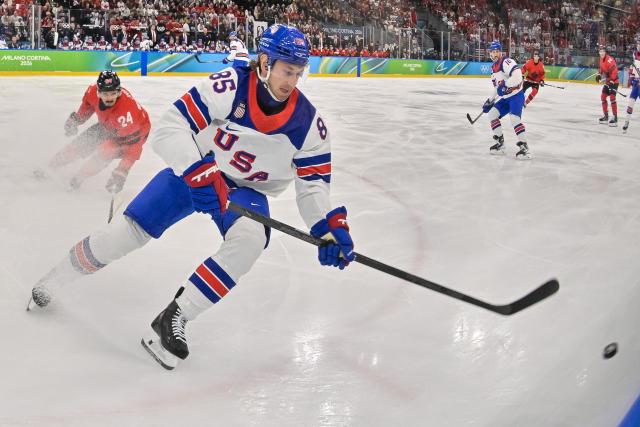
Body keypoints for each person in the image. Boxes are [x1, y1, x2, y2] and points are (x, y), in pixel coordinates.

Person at [28, 24, 355, 370]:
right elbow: (171, 126)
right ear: (264, 62)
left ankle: (175, 317)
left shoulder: (308, 125)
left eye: (298, 73)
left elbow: (314, 184)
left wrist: (326, 227)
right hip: (196, 170)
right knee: (125, 234)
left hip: (246, 191)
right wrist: (198, 170)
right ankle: (59, 276)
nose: (292, 81)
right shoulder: (230, 86)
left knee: (250, 238)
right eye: (287, 70)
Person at [42, 70, 151, 192]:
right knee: (78, 145)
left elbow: (133, 149)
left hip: (133, 134)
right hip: (108, 125)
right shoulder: (92, 91)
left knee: (104, 153)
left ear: (119, 92)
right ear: (98, 92)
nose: (109, 98)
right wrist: (76, 120)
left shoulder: (127, 114)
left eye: (113, 93)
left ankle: (78, 178)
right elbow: (87, 107)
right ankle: (50, 167)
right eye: (105, 94)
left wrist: (122, 171)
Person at [481, 40, 530, 159]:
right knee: (492, 115)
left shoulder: (506, 61)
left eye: (497, 51)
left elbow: (518, 76)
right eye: (493, 52)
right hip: (506, 98)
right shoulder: (493, 68)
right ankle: (501, 144)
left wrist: (506, 85)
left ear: (500, 52)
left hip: (516, 96)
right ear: (490, 53)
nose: (495, 54)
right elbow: (498, 88)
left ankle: (525, 149)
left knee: (514, 119)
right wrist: (490, 100)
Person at [596, 45, 619, 126]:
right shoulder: (601, 59)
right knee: (603, 97)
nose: (601, 53)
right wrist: (599, 74)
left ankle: (615, 118)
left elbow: (615, 70)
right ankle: (606, 116)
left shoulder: (609, 60)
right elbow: (601, 69)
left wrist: (612, 80)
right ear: (599, 53)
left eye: (603, 51)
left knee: (612, 98)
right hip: (608, 82)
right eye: (600, 51)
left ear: (605, 52)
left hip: (614, 82)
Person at [623, 35, 640, 133]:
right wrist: (632, 78)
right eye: (638, 44)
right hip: (636, 85)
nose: (639, 46)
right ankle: (626, 122)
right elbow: (632, 68)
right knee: (630, 103)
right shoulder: (634, 54)